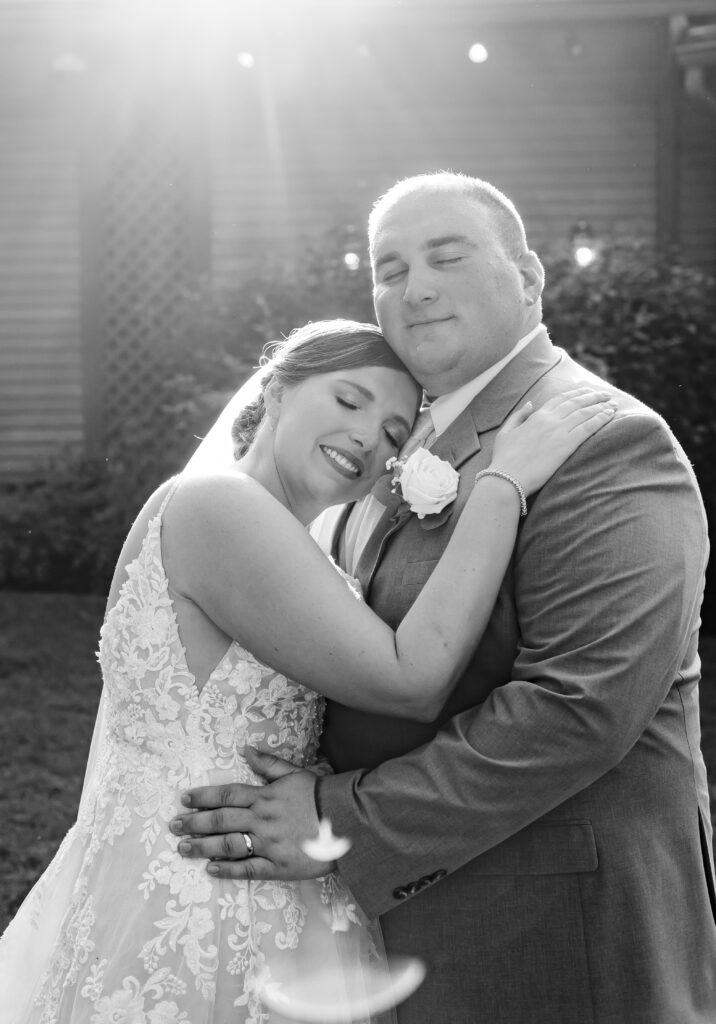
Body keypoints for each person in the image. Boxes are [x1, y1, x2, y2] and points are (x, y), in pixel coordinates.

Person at [171, 173, 716, 1024]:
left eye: (447, 255)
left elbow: (579, 709)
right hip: (397, 927)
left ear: (528, 277)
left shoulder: (601, 441)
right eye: (389, 268)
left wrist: (338, 817)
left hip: (550, 932)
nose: (413, 284)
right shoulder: (388, 445)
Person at [0, 317, 611, 1024]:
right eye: (350, 401)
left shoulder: (286, 536)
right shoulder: (220, 506)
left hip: (256, 868)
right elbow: (410, 679)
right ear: (279, 389)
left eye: (391, 432)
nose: (367, 437)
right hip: (205, 897)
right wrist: (502, 486)